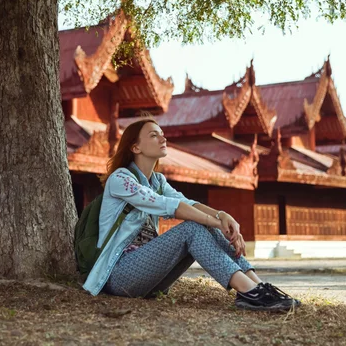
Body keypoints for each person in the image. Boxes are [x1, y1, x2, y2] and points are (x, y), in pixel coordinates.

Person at [82, 117, 301, 312]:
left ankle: (257, 286)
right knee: (193, 226)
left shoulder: (157, 181)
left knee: (201, 222)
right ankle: (248, 292)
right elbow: (168, 205)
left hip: (149, 279)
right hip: (119, 275)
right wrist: (214, 222)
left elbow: (188, 202)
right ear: (136, 147)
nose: (162, 138)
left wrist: (222, 215)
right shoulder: (120, 179)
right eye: (153, 135)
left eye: (162, 134)